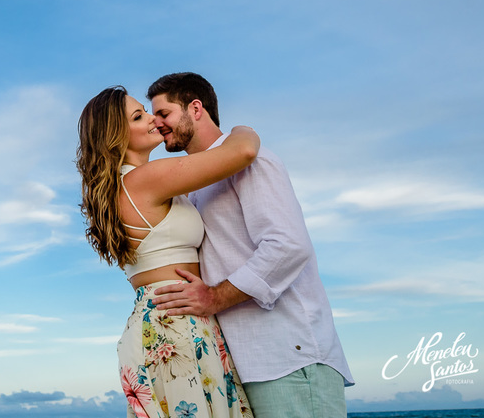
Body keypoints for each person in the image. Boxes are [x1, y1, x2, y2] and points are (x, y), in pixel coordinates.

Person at [146, 73, 353, 418]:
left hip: (288, 357)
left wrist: (213, 297)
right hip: (242, 365)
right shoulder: (195, 183)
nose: (156, 123)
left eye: (163, 113)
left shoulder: (252, 161)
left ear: (195, 108)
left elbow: (287, 246)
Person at [77, 85, 259, 418]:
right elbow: (244, 150)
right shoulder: (146, 179)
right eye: (138, 116)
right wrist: (241, 129)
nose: (152, 119)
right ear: (116, 135)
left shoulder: (126, 185)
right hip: (176, 323)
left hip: (164, 318)